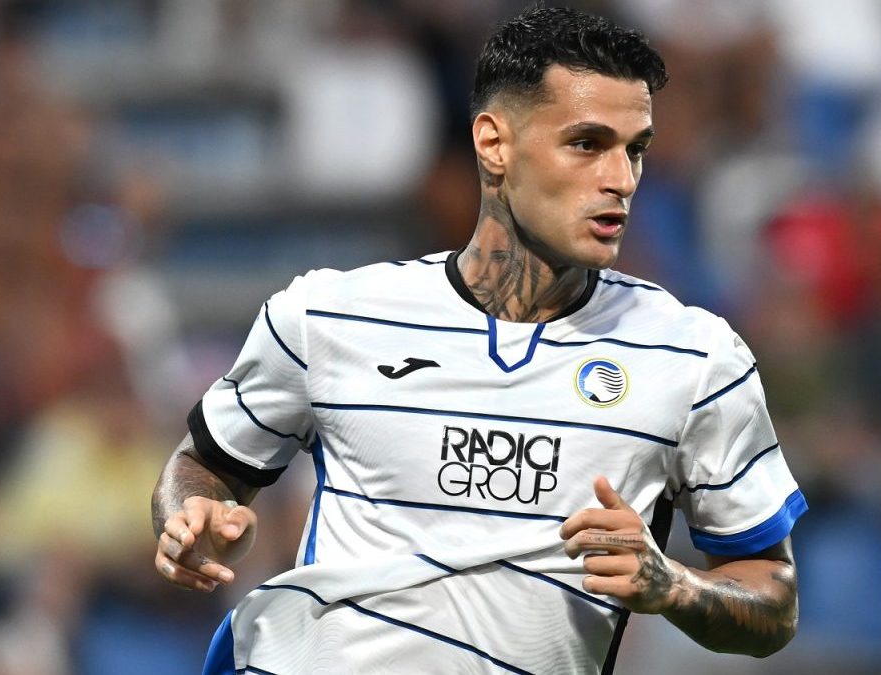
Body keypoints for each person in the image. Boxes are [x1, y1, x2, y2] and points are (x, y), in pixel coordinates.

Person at [151, 7, 807, 674]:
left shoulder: (696, 357)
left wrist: (675, 585)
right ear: (494, 144)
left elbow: (773, 601)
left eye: (634, 149)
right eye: (587, 144)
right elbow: (203, 466)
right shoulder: (327, 315)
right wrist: (193, 516)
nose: (621, 178)